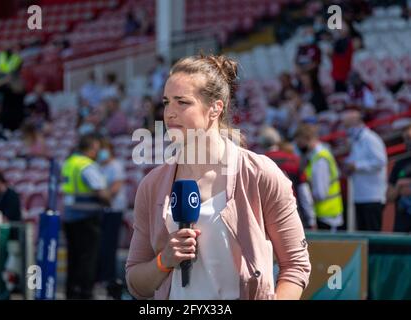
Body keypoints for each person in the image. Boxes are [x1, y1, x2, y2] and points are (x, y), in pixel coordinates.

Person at [126, 54, 311, 300]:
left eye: (182, 102)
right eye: (166, 102)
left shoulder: (260, 174)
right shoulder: (152, 185)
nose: (169, 113)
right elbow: (136, 283)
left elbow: (296, 266)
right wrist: (163, 262)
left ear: (215, 108)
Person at [61, 133, 112, 299]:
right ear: (90, 149)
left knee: (73, 257)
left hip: (69, 217)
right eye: (96, 149)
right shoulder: (86, 165)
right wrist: (108, 199)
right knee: (88, 258)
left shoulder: (69, 163)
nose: (97, 152)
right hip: (87, 218)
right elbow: (101, 191)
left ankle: (71, 292)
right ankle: (85, 293)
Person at [258, 126, 316, 229]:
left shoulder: (258, 163)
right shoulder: (295, 160)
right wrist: (311, 219)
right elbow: (305, 193)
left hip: (268, 217)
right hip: (293, 213)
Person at [342, 109, 387, 231]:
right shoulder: (356, 140)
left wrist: (356, 166)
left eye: (347, 125)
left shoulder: (370, 139)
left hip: (372, 196)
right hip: (360, 196)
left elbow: (380, 161)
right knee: (363, 235)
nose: (346, 129)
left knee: (372, 236)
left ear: (355, 123)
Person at [294, 124, 344, 231]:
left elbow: (320, 193)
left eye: (300, 143)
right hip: (325, 215)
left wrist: (305, 196)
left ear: (307, 139)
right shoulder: (315, 157)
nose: (299, 147)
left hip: (328, 217)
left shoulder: (320, 159)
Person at [96, 140, 128, 299]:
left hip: (114, 210)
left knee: (109, 245)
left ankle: (108, 278)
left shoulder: (116, 165)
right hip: (103, 209)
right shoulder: (99, 166)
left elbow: (114, 188)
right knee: (101, 245)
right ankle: (101, 277)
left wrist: (104, 196)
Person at [387, 123, 411, 233]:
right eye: (405, 138)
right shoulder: (399, 164)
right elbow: (389, 197)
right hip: (402, 227)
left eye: (409, 138)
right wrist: (399, 186)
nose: (407, 142)